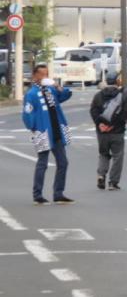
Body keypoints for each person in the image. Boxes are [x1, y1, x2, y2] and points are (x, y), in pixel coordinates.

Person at [23, 64, 73, 205]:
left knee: (63, 162)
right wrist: (33, 127)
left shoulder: (51, 90)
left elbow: (65, 95)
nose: (45, 77)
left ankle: (58, 193)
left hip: (57, 130)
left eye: (47, 74)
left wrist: (57, 86)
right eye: (42, 74)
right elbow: (27, 113)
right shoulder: (31, 94)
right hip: (42, 131)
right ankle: (37, 195)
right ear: (35, 75)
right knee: (42, 164)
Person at [90, 74, 127, 192]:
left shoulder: (98, 95)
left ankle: (101, 175)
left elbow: (93, 111)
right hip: (117, 131)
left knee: (103, 154)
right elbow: (126, 113)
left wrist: (100, 124)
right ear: (118, 81)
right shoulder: (122, 96)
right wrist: (112, 125)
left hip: (101, 132)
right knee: (118, 156)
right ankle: (113, 182)